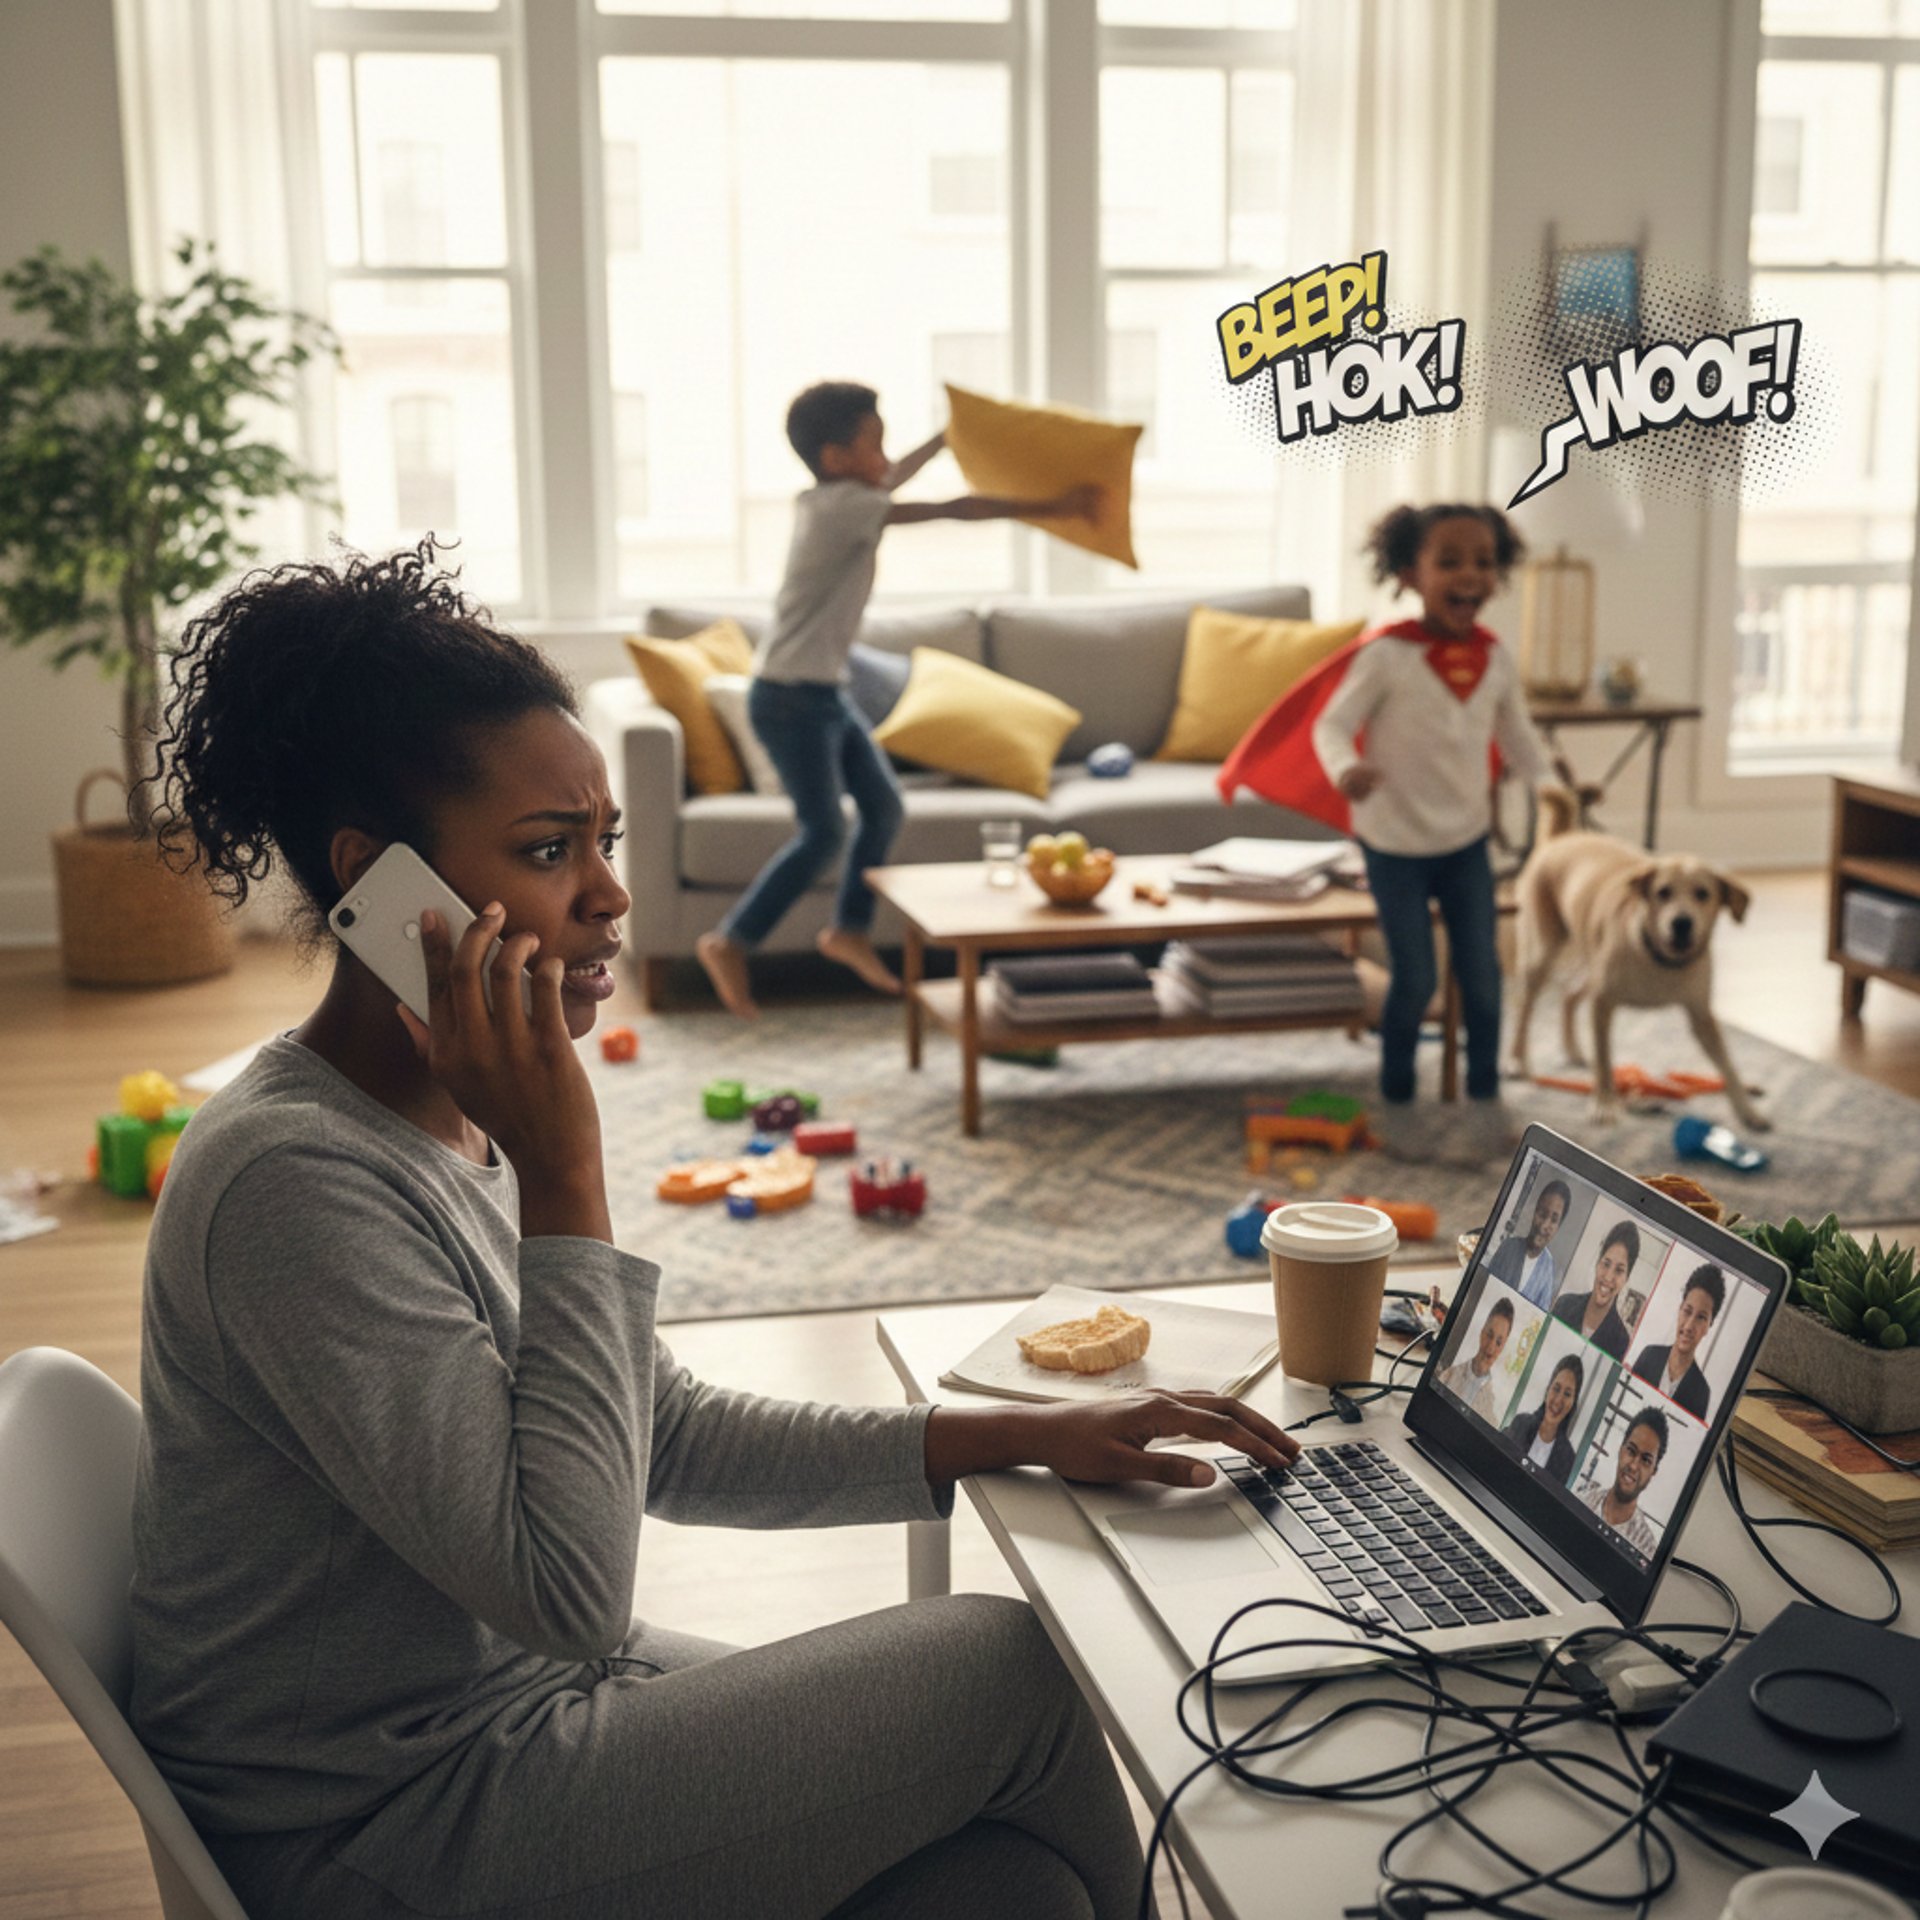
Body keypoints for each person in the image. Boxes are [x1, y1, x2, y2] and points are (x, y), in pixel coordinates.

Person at [128, 542, 1294, 1920]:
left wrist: (1019, 1433)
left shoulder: (454, 1119)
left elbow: (661, 1433)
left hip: (523, 1717)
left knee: (1014, 1890)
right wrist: (568, 1176)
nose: (610, 894)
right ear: (380, 885)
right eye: (549, 851)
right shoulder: (293, 1183)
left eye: (605, 842)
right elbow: (567, 1590)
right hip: (383, 1828)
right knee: (1009, 1672)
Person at [695, 382, 1097, 1021]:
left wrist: (943, 440)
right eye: (874, 443)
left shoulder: (833, 497)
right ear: (836, 458)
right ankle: (729, 942)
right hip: (791, 700)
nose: (885, 457)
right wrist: (1053, 508)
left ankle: (847, 930)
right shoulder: (845, 507)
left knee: (883, 806)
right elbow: (951, 509)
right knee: (825, 832)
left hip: (820, 693)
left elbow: (891, 477)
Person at [1311, 504, 1550, 1105]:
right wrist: (1344, 769)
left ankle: (1485, 1093)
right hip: (1393, 844)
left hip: (1465, 842)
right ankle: (1397, 1090)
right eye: (1449, 562)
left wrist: (1552, 787)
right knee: (1415, 976)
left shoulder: (1496, 658)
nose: (1469, 574)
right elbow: (1331, 726)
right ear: (1409, 574)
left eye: (1483, 562)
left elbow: (1519, 738)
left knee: (1484, 976)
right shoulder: (1387, 656)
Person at [1631, 1263, 1724, 1420]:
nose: (1688, 1326)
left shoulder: (1701, 1392)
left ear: (1709, 1325)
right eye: (1687, 1311)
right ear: (1680, 1309)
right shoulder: (1649, 1356)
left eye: (1701, 1317)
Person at [1579, 1407, 1668, 1559]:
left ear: (1653, 1471)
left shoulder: (1646, 1549)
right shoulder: (1583, 1502)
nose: (1633, 1466)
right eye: (1631, 1451)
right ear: (1621, 1450)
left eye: (1645, 1460)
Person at [1550, 1220, 1640, 1361]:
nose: (1608, 1277)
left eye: (1619, 1270)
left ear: (1626, 1278)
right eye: (1606, 1264)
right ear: (1598, 1263)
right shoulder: (1564, 1304)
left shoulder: (1620, 1340)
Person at [1485, 1178, 1572, 1310]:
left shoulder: (1549, 1274)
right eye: (1542, 1214)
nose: (1544, 1225)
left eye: (1554, 1220)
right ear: (1535, 1211)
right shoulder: (1508, 1247)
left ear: (1558, 1227)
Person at [1502, 1354, 1585, 1484]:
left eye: (1567, 1394)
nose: (1558, 1400)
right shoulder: (1520, 1424)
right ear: (1548, 1390)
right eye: (1556, 1388)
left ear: (1573, 1403)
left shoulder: (1567, 1459)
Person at [1438, 1294, 1515, 1423]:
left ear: (1503, 1347)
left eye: (1498, 1342)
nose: (1490, 1347)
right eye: (1489, 1334)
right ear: (1482, 1331)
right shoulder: (1449, 1375)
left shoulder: (1495, 1406)